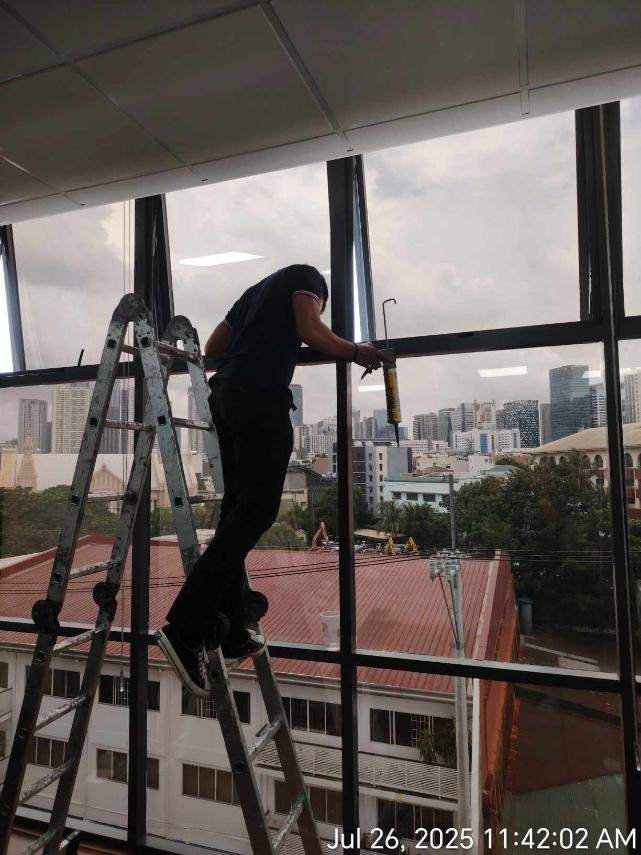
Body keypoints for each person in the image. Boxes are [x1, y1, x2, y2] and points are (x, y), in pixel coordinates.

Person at [158, 264, 389, 696]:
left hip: (226, 397)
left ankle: (231, 629)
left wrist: (257, 344)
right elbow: (311, 330)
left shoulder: (252, 295)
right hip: (260, 398)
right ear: (320, 295)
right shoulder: (308, 277)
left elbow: (215, 345)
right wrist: (356, 351)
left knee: (237, 512)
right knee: (258, 512)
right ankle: (185, 627)